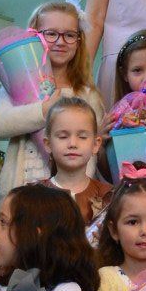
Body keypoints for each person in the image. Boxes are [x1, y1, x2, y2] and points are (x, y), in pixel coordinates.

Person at [0, 0, 104, 198]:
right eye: (51, 34)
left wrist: (76, 197)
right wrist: (43, 111)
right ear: (34, 35)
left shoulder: (87, 94)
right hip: (20, 195)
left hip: (67, 198)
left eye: (69, 35)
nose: (60, 41)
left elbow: (89, 156)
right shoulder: (14, 85)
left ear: (79, 41)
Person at [44, 97, 110, 226]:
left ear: (95, 144)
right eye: (63, 136)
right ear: (48, 144)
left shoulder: (108, 196)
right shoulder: (32, 197)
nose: (73, 144)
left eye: (82, 137)